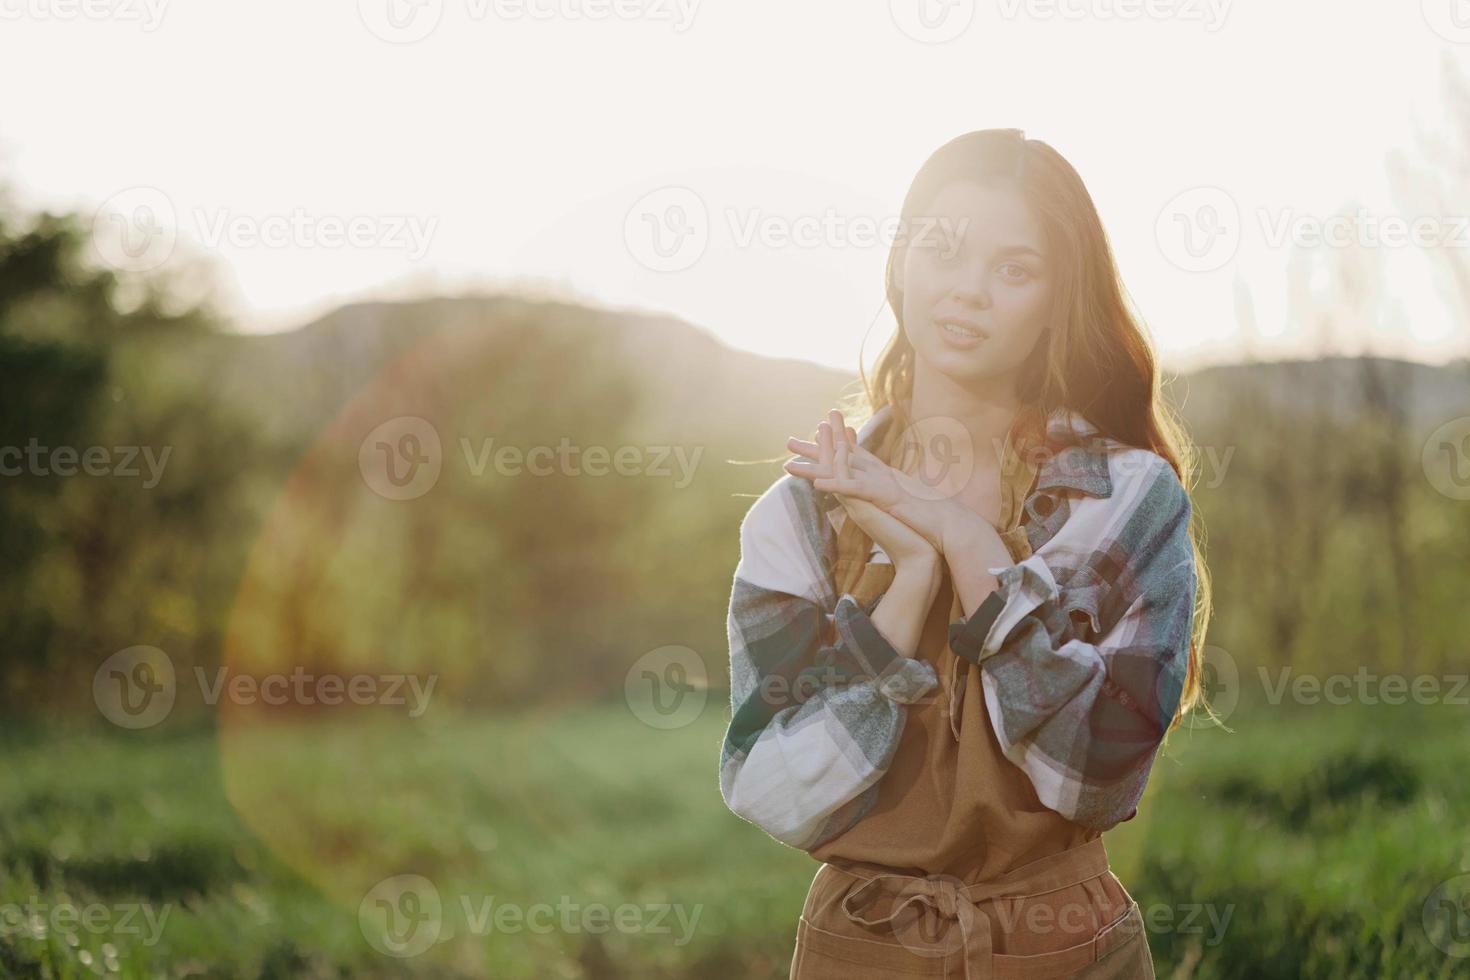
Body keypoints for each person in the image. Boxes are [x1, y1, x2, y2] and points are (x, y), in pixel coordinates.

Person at [718, 128, 1215, 978]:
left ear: (1060, 298)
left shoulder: (1129, 502)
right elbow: (768, 784)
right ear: (900, 263)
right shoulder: (802, 516)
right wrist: (908, 585)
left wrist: (964, 541)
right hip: (861, 949)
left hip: (1067, 946)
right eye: (942, 250)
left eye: (1014, 270)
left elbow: (1095, 775)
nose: (968, 293)